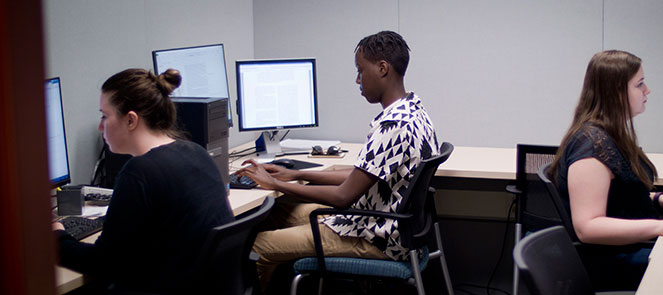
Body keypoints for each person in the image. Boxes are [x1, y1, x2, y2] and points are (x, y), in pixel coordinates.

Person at [235, 30, 439, 291]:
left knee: (260, 246)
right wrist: (296, 175)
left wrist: (278, 184)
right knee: (276, 212)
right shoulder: (414, 111)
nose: (357, 79)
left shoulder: (393, 126)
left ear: (382, 68)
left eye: (360, 70)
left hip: (374, 237)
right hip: (381, 225)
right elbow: (360, 175)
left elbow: (343, 197)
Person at [53, 68, 234, 293]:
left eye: (104, 116)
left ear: (130, 120)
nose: (100, 127)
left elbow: (103, 263)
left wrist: (57, 237)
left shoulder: (139, 173)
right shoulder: (196, 152)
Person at [546, 50, 663, 291]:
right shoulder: (590, 146)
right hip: (613, 260)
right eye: (640, 84)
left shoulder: (611, 134)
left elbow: (618, 196)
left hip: (631, 246)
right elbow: (588, 227)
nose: (648, 91)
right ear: (616, 92)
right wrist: (660, 227)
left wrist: (662, 200)